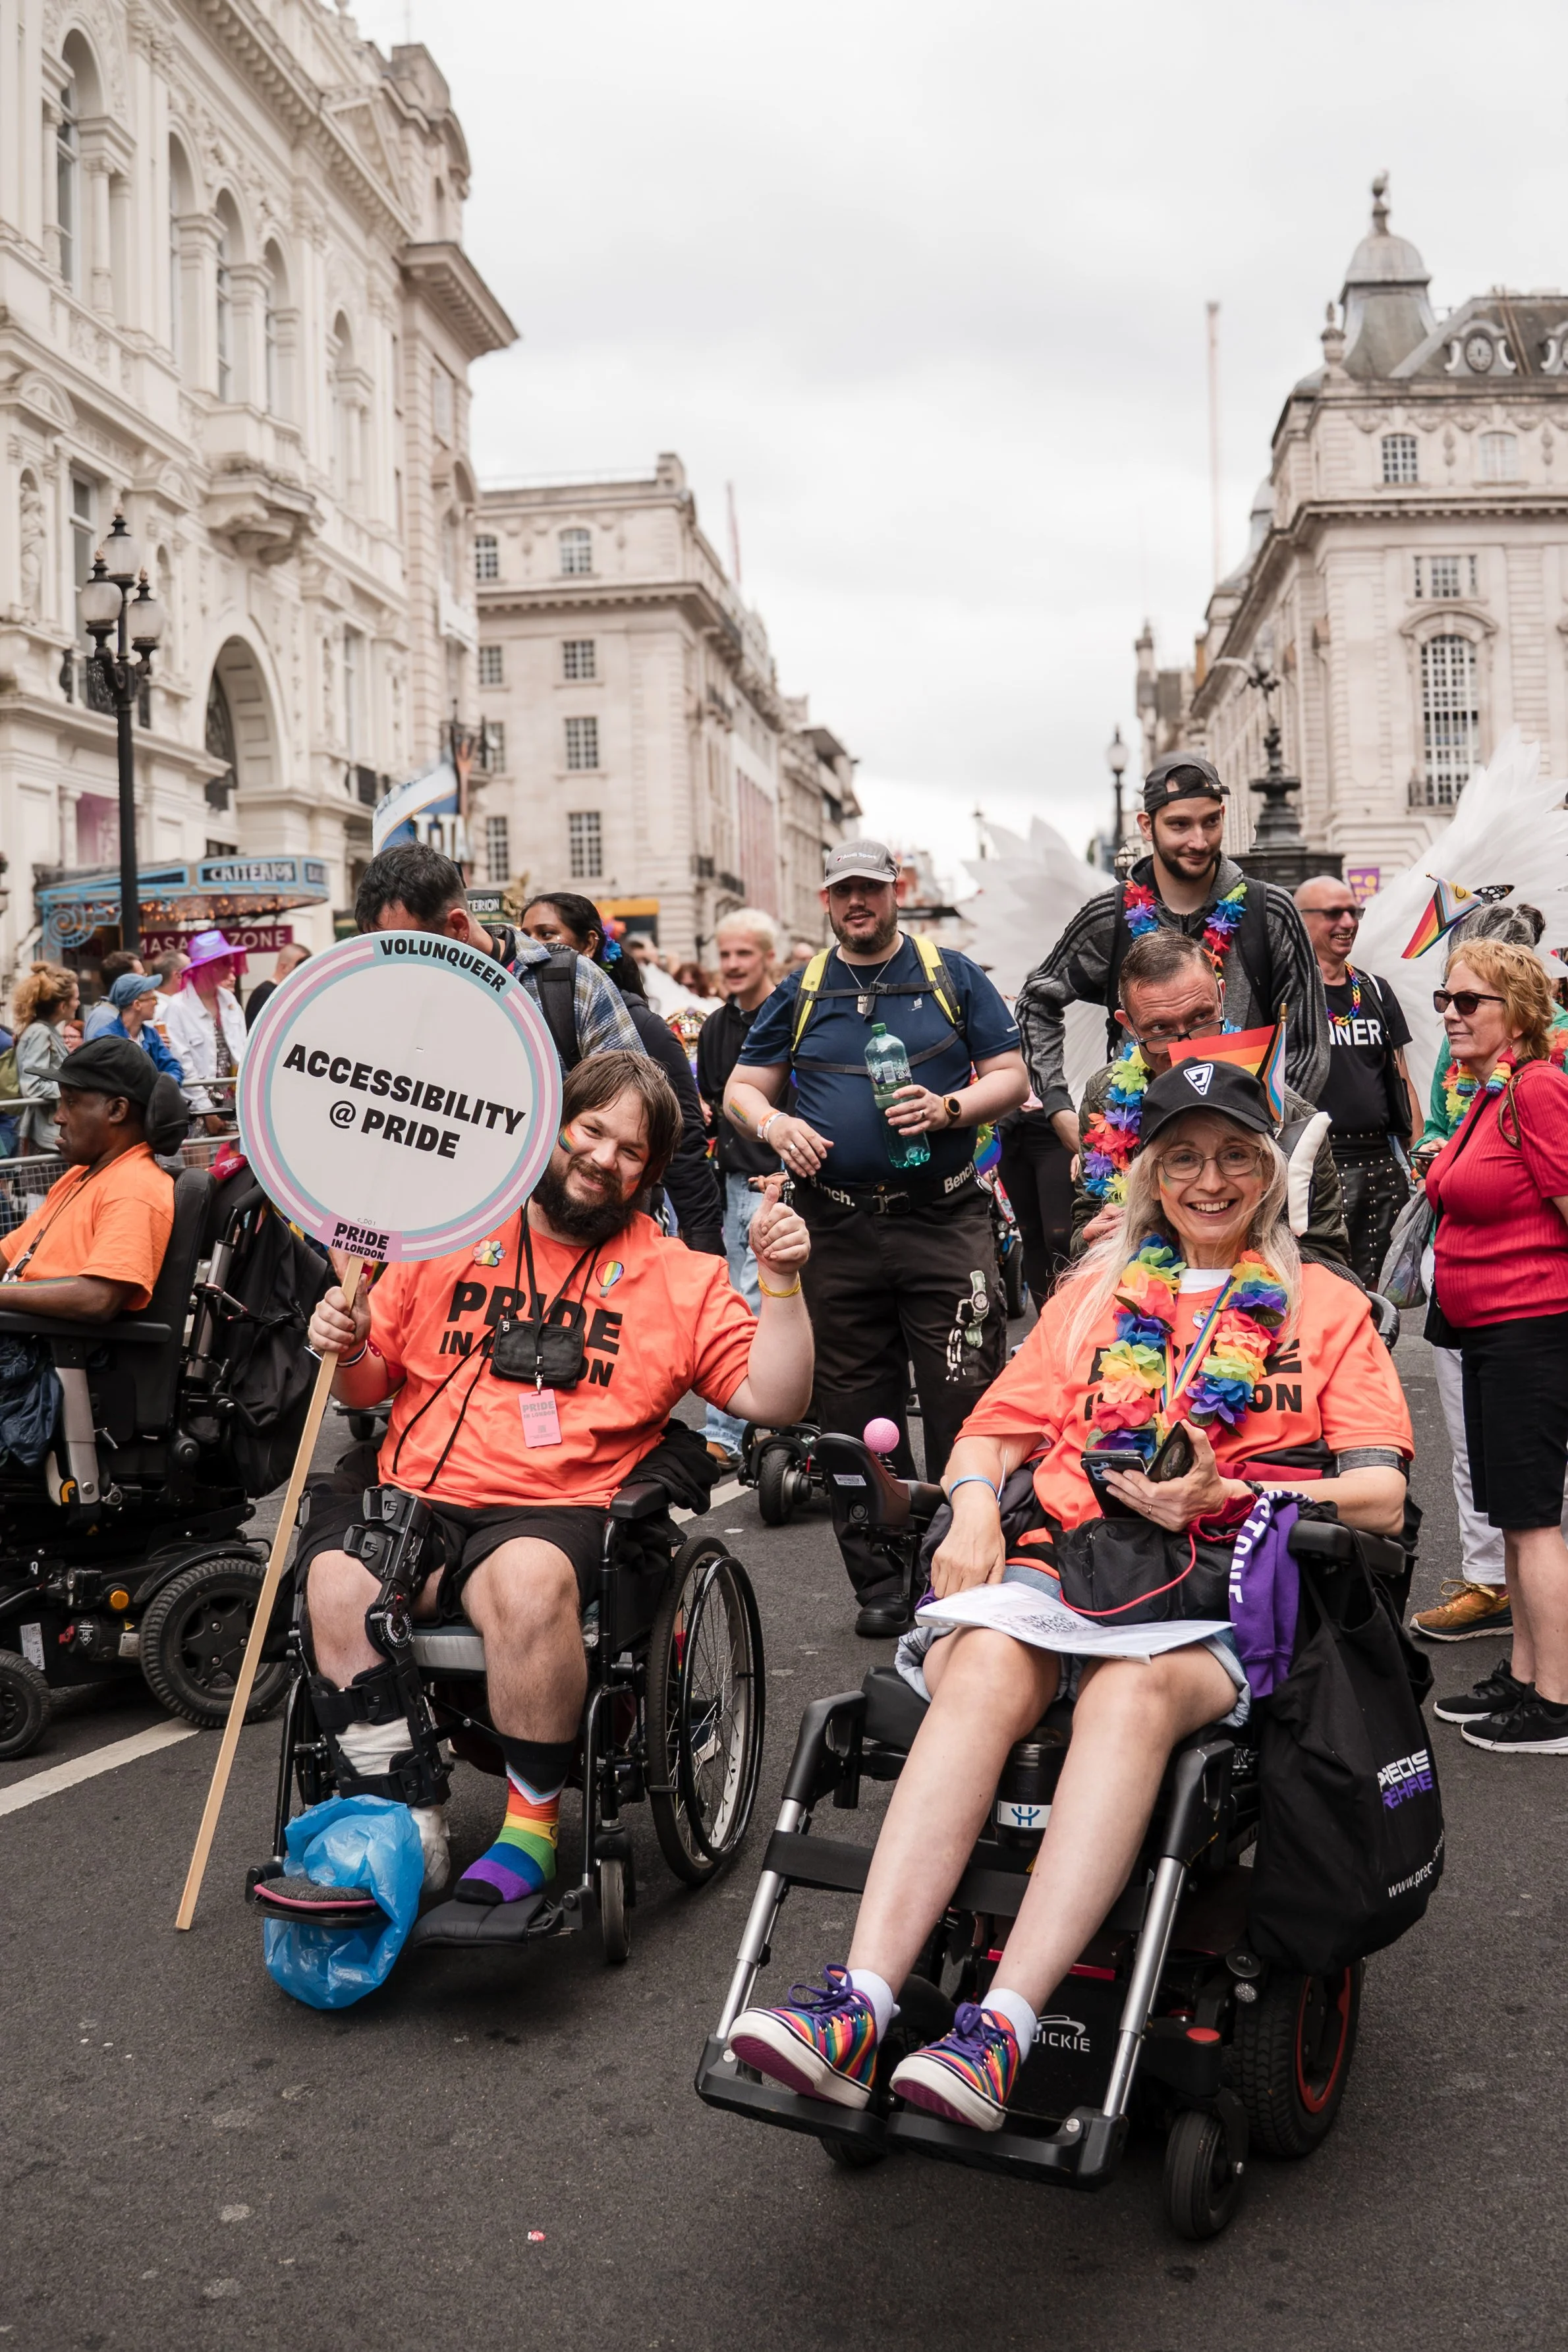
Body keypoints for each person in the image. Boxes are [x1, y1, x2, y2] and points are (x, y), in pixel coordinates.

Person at [729, 1060, 1410, 2125]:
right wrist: (976, 1509)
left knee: (1128, 1697)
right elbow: (991, 1435)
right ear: (1150, 1172)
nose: (1209, 1179)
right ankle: (854, 2006)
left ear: (1272, 1173)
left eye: (1235, 1155)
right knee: (989, 1660)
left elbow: (1380, 1495)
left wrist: (1236, 1486)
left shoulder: (1324, 1307)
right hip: (1058, 1566)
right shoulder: (1094, 1296)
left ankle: (1000, 2031)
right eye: (1182, 1157)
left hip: (1216, 1589)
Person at [298, 1053, 813, 1900]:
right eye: (590, 1129)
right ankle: (402, 1816)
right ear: (553, 1126)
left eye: (631, 1150)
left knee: (528, 1583)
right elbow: (365, 1383)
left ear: (648, 1174)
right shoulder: (448, 1231)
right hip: (419, 1489)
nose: (603, 1157)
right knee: (335, 1579)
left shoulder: (678, 1277)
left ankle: (531, 1827)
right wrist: (345, 1338)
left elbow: (776, 1398)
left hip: (560, 1505)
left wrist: (785, 1284)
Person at [726, 839, 1029, 1635]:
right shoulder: (801, 990)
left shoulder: (950, 974)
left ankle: (965, 1567)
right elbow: (738, 1089)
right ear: (825, 902)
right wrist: (774, 1120)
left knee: (965, 1402)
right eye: (841, 891)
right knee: (855, 1421)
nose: (856, 902)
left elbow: (1012, 1076)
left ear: (894, 891)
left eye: (869, 888)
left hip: (944, 1219)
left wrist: (951, 1108)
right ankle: (882, 1586)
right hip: (836, 1227)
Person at [1016, 753, 1330, 1151]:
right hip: (1141, 1146)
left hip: (1249, 1147)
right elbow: (1036, 1003)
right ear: (1147, 826)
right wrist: (1058, 1107)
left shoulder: (1271, 912)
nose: (1199, 841)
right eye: (1180, 825)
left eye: (1211, 822)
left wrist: (1272, 1131)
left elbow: (1308, 1043)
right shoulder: (1109, 917)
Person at [1408, 904, 1568, 1644]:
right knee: (1512, 1515)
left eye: (1467, 1001)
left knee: (1534, 1523)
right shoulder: (1487, 1089)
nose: (1448, 1013)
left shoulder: (1535, 1088)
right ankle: (1525, 1677)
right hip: (1481, 1329)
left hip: (1526, 1329)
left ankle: (1554, 1702)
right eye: (1444, 998)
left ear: (1518, 1012)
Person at [1071, 930, 1349, 1265]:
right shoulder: (1105, 1096)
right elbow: (1084, 1226)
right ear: (1128, 1025)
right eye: (1159, 1029)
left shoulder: (1286, 1113)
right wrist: (1096, 1240)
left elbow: (1328, 1255)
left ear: (1221, 998)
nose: (1182, 1047)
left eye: (1201, 1019)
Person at [517, 891, 722, 1254]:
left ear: (590, 944)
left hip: (615, 1232)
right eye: (525, 934)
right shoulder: (520, 1015)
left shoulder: (642, 1028)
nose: (531, 947)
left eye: (547, 934)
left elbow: (684, 1142)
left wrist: (703, 1239)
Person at [353, 843, 641, 1070]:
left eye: (408, 948)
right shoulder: (385, 1003)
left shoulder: (574, 983)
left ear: (458, 927)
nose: (397, 969)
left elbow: (631, 1110)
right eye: (383, 950)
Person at [1293, 877, 1419, 1289]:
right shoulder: (1288, 994)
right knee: (1327, 1294)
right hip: (1318, 1169)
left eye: (1354, 912)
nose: (1347, 922)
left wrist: (1416, 1162)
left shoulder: (1376, 990)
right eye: (1333, 913)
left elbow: (1400, 1075)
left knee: (1382, 1298)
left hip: (1382, 1166)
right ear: (1301, 920)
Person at [0, 1039, 181, 1320]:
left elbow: (99, 1298)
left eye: (71, 1102)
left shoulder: (135, 1187)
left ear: (117, 1110)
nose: (59, 1117)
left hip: (54, 1353)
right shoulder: (81, 1175)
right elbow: (8, 1253)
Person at [695, 907, 783, 1467]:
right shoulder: (715, 1027)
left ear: (768, 956)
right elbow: (714, 1101)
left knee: (751, 1299)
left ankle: (725, 1434)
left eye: (743, 954)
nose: (731, 965)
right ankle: (767, 1415)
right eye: (724, 955)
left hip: (778, 1181)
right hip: (730, 1182)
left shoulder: (788, 1015)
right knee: (732, 1296)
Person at [161, 930, 247, 1129]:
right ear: (208, 967)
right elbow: (182, 1062)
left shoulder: (229, 1000)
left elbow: (243, 1049)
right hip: (198, 1109)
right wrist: (206, 1110)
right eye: (223, 961)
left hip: (235, 1103)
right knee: (204, 1160)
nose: (230, 966)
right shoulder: (178, 1007)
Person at [12, 963, 80, 1154]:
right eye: (76, 998)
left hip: (48, 1134)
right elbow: (32, 1086)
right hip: (45, 1139)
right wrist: (70, 1089)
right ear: (62, 1005)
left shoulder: (46, 1031)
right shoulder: (40, 1033)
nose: (78, 1003)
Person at [96, 972, 185, 1082]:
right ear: (137, 1005)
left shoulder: (151, 1035)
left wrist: (162, 1087)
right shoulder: (106, 1038)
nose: (156, 1004)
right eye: (153, 999)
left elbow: (174, 1068)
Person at [244, 939, 310, 1032]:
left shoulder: (278, 992)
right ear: (283, 967)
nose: (303, 972)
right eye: (299, 966)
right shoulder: (266, 993)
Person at [82, 949, 146, 1041]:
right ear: (123, 982)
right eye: (141, 976)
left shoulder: (121, 1011)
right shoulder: (104, 1017)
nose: (146, 981)